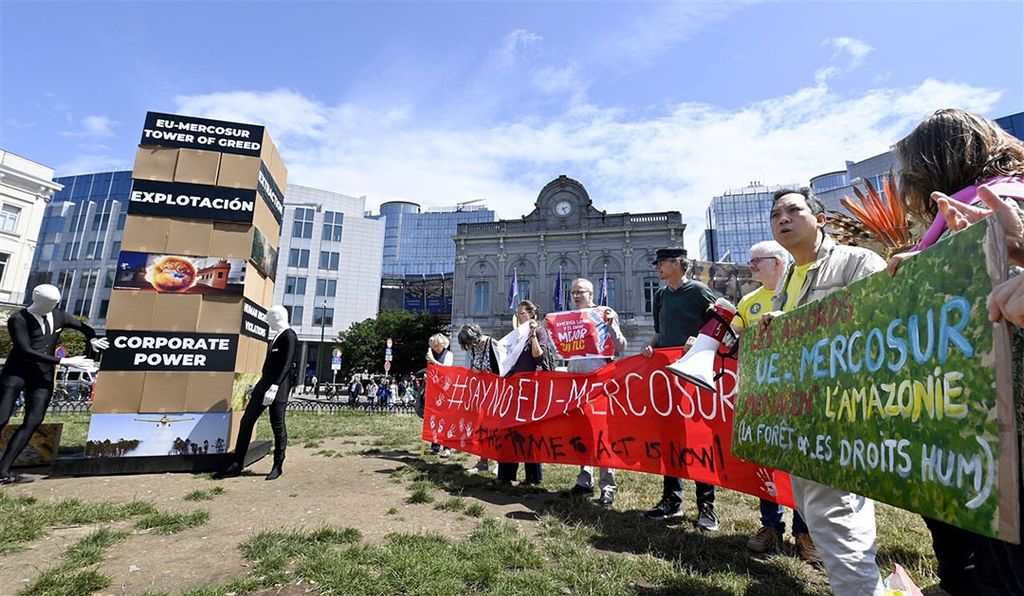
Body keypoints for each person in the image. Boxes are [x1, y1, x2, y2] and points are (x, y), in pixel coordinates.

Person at [888, 108, 1024, 596]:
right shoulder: (962, 216)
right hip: (965, 423)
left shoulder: (1004, 202)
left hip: (1000, 429)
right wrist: (925, 264)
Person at [760, 188, 887, 596]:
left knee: (838, 518)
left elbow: (881, 328)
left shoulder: (858, 262)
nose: (783, 218)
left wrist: (798, 326)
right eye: (776, 213)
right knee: (825, 518)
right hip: (802, 417)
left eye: (794, 210)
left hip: (843, 416)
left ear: (821, 218)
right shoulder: (787, 281)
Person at [731, 240, 819, 561]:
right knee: (765, 460)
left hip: (798, 391)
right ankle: (770, 526)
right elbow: (733, 340)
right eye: (751, 261)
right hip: (760, 394)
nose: (751, 266)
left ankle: (804, 532)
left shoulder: (801, 291)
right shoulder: (748, 301)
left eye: (757, 261)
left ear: (779, 262)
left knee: (799, 461)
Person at [640, 248, 721, 531]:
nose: (657, 267)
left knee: (698, 438)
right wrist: (651, 344)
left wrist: (697, 339)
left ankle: (707, 506)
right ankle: (671, 500)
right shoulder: (660, 296)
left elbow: (721, 324)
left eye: (661, 262)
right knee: (670, 438)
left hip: (696, 376)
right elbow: (660, 331)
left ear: (677, 264)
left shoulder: (699, 292)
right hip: (668, 377)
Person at [0, 284, 107, 484]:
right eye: (46, 302)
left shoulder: (59, 315)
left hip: (43, 375)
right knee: (2, 417)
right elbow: (25, 350)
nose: (50, 306)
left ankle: (3, 470)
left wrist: (92, 339)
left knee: (34, 420)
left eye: (53, 303)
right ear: (35, 298)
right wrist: (64, 361)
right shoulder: (18, 319)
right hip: (16, 373)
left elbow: (84, 327)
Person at [561, 279, 627, 506]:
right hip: (576, 384)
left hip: (599, 384)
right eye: (573, 292)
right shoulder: (568, 318)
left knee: (602, 435)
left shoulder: (605, 313)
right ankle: (584, 480)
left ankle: (607, 488)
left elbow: (621, 347)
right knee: (582, 433)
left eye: (580, 292)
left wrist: (610, 325)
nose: (576, 296)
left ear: (591, 294)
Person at [213, 305, 297, 481]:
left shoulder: (289, 336)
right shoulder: (276, 337)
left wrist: (274, 387)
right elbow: (270, 368)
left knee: (278, 426)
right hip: (263, 386)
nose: (267, 320)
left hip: (277, 390)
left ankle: (278, 465)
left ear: (277, 317)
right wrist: (259, 386)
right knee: (246, 421)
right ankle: (237, 463)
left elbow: (286, 365)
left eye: (269, 317)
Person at [496, 300, 551, 487]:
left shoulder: (541, 332)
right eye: (518, 313)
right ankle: (506, 475)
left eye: (521, 313)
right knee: (509, 430)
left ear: (531, 314)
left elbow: (538, 356)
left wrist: (534, 334)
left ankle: (532, 478)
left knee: (530, 432)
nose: (518, 316)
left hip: (532, 388)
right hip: (514, 388)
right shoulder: (516, 334)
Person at [458, 324, 497, 474]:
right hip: (482, 393)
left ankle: (500, 461)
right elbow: (476, 365)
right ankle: (483, 460)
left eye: (472, 343)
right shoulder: (475, 347)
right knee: (482, 427)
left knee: (495, 428)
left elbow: (501, 367)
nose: (472, 346)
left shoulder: (492, 344)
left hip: (496, 393)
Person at [425, 333, 454, 456]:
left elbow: (446, 368)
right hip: (434, 390)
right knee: (434, 418)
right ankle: (435, 446)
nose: (437, 348)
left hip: (446, 390)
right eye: (434, 345)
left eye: (439, 345)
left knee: (446, 419)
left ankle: (447, 447)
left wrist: (433, 361)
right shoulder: (431, 354)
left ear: (443, 344)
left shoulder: (449, 355)